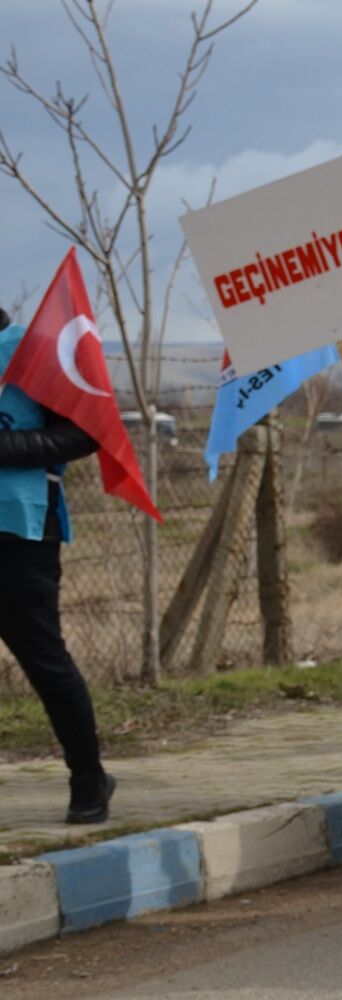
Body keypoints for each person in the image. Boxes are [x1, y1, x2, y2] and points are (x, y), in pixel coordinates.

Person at [0, 310, 113, 824]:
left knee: (44, 661)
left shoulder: (33, 348)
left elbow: (87, 432)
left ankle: (88, 779)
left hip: (20, 531)